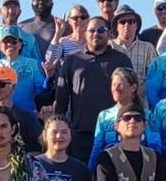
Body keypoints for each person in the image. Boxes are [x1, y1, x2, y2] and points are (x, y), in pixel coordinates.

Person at [54, 15, 133, 162]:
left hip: (113, 133)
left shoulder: (121, 59)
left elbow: (131, 96)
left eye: (101, 30)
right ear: (85, 34)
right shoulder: (72, 60)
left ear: (109, 33)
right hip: (80, 134)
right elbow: (61, 100)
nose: (96, 33)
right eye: (92, 30)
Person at [91, 68, 162, 159]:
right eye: (113, 85)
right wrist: (91, 171)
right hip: (111, 165)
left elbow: (155, 147)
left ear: (133, 88)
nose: (115, 89)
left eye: (120, 85)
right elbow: (97, 148)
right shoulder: (104, 116)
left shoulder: (147, 116)